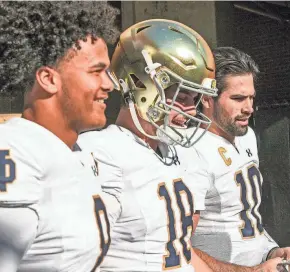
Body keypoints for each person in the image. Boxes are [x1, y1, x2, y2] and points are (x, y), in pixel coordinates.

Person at [78, 19, 218, 272]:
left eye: (194, 98)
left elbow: (178, 251)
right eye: (181, 96)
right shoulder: (101, 152)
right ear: (142, 84)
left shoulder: (173, 152)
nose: (189, 111)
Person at [0, 2, 119, 271]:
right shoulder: (17, 152)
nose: (109, 84)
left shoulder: (75, 149)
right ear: (48, 79)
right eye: (96, 71)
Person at [177, 47, 289, 271]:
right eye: (238, 98)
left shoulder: (246, 135)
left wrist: (271, 252)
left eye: (251, 98)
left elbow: (244, 217)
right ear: (208, 99)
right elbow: (177, 247)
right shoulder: (191, 150)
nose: (248, 108)